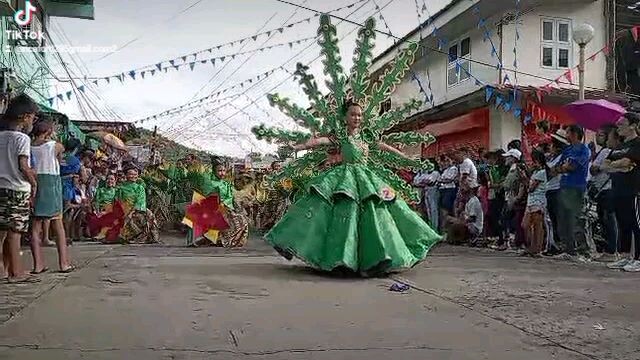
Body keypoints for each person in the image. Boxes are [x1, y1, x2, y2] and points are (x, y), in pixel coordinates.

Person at [264, 101, 441, 276]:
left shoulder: (367, 136)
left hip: (368, 179)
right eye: (353, 114)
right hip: (344, 178)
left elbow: (383, 147)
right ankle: (335, 256)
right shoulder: (340, 136)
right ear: (345, 117)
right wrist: (300, 146)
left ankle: (384, 254)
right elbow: (320, 141)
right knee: (331, 212)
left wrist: (404, 157)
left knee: (390, 208)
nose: (357, 117)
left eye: (359, 114)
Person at [0, 94, 39, 283]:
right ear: (24, 117)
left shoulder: (1, 137)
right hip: (17, 189)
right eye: (32, 117)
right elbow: (23, 165)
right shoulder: (22, 138)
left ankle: (3, 270)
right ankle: (17, 272)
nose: (33, 121)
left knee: (2, 232)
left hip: (1, 187)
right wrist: (33, 181)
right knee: (15, 233)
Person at [29, 121, 73, 274]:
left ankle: (38, 265)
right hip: (51, 182)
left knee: (35, 226)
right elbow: (61, 158)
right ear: (48, 131)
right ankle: (64, 263)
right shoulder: (54, 145)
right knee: (58, 225)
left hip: (34, 181)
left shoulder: (29, 145)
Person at [604, 113, 640, 271]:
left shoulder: (637, 143)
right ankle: (625, 256)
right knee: (623, 223)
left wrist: (618, 164)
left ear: (633, 125)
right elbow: (605, 165)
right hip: (617, 188)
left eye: (622, 124)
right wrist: (619, 166)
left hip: (633, 190)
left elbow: (628, 162)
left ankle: (638, 258)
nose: (618, 127)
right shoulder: (619, 146)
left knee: (636, 224)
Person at [552, 125, 591, 259]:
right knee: (563, 220)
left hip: (576, 187)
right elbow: (557, 168)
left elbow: (572, 166)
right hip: (563, 186)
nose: (565, 135)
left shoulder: (583, 150)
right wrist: (563, 167)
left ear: (574, 134)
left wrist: (565, 167)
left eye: (567, 132)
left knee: (575, 219)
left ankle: (581, 250)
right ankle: (568, 249)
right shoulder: (567, 150)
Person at [588, 125, 618, 255]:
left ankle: (611, 249)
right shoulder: (604, 152)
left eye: (601, 135)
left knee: (608, 220)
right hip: (604, 189)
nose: (597, 137)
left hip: (606, 189)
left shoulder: (608, 152)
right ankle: (609, 247)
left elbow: (594, 169)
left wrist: (599, 167)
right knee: (605, 219)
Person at [116, 166, 160, 244]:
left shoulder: (140, 188)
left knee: (149, 216)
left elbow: (140, 201)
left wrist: (131, 212)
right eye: (131, 174)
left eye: (135, 174)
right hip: (124, 208)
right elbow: (118, 200)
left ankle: (143, 236)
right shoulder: (121, 187)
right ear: (126, 175)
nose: (133, 176)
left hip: (137, 209)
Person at [544, 131, 569, 255]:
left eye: (552, 144)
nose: (550, 147)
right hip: (549, 189)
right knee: (552, 219)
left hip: (558, 189)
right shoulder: (552, 158)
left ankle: (563, 245)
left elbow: (553, 172)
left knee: (558, 219)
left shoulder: (562, 157)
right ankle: (555, 245)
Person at [522, 151, 548, 257]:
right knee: (526, 224)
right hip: (531, 201)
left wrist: (525, 178)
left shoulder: (542, 173)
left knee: (537, 226)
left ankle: (537, 249)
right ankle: (531, 247)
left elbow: (531, 188)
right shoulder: (535, 173)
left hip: (538, 200)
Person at [501, 148, 527, 250]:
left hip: (513, 197)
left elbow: (508, 184)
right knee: (508, 220)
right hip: (510, 196)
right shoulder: (512, 168)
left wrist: (503, 184)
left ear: (513, 158)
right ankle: (510, 241)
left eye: (508, 157)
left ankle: (510, 242)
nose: (506, 159)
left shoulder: (515, 168)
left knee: (507, 219)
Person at [413, 158, 441, 230]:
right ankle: (430, 225)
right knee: (428, 209)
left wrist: (423, 181)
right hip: (426, 190)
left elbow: (431, 181)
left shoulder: (435, 172)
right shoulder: (422, 172)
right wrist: (423, 181)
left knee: (433, 209)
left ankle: (435, 227)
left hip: (433, 190)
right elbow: (416, 181)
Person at [453, 147, 478, 217]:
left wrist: (461, 187)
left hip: (468, 187)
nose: (457, 156)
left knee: (461, 204)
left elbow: (464, 176)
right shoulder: (462, 163)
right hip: (466, 187)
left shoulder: (466, 162)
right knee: (460, 204)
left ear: (464, 154)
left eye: (459, 153)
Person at [438, 155, 458, 225]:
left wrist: (442, 180)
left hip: (449, 189)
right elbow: (441, 178)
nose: (446, 162)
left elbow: (450, 179)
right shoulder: (445, 170)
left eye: (448, 160)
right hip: (442, 190)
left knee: (447, 208)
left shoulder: (454, 168)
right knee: (442, 208)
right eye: (445, 161)